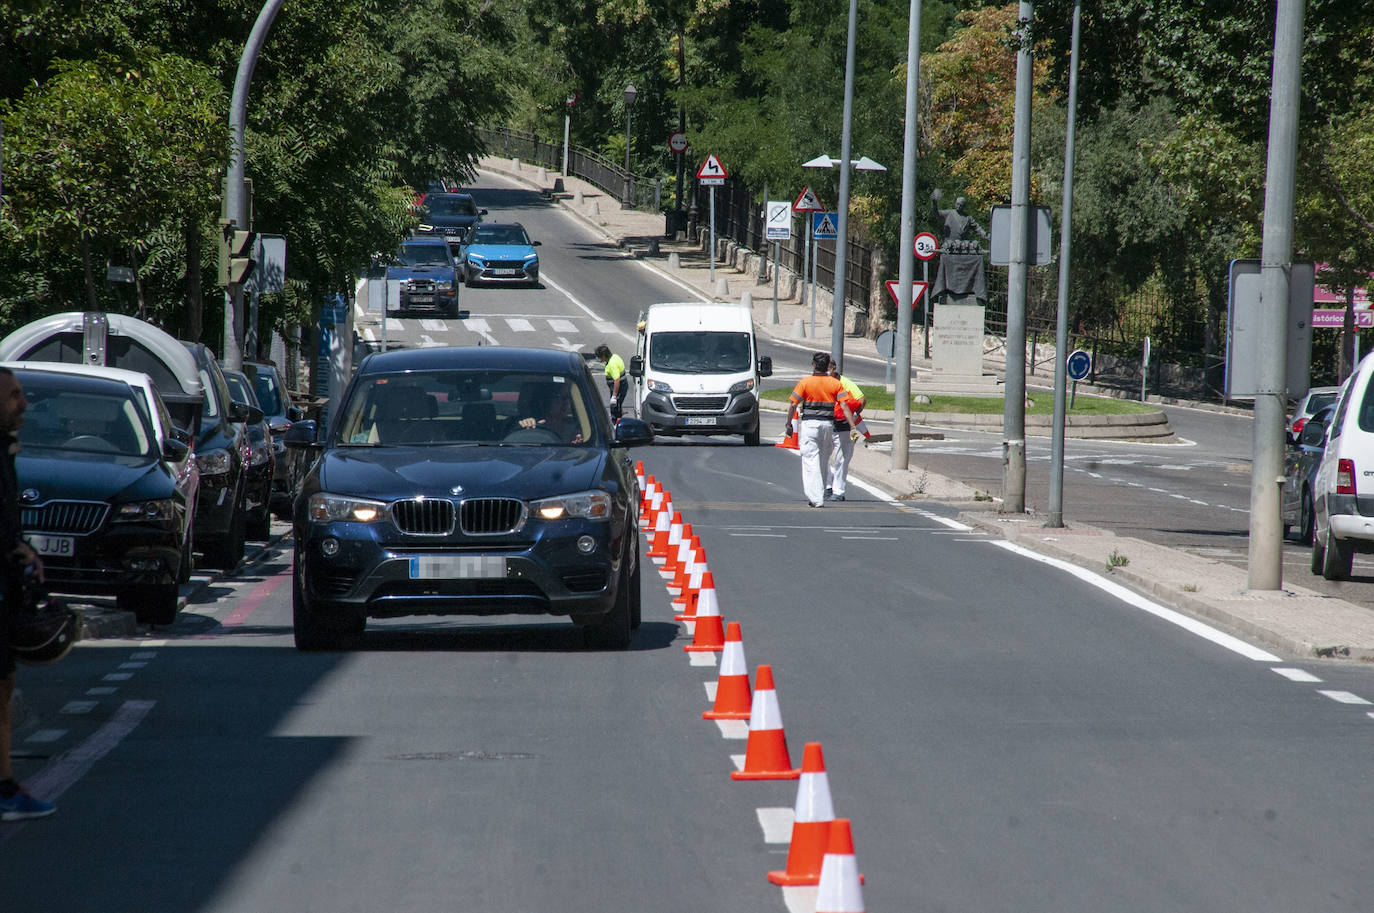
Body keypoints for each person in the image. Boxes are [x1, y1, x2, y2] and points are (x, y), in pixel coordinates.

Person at [0, 368, 54, 821]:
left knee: (4, 685)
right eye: (14, 395)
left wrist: (21, 550)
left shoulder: (6, 451)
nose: (24, 403)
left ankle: (4, 784)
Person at [782, 353, 857, 508]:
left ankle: (816, 497)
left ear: (814, 365)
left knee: (810, 459)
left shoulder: (805, 382)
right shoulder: (835, 384)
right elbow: (844, 405)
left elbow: (793, 405)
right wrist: (853, 426)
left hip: (810, 425)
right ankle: (821, 491)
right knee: (823, 460)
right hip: (828, 426)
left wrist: (789, 424)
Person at [825, 360, 868, 502]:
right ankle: (827, 486)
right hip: (824, 424)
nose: (825, 372)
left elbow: (862, 399)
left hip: (842, 425)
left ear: (834, 368)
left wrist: (854, 415)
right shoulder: (820, 381)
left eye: (828, 368)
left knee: (841, 459)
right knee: (822, 457)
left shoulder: (845, 383)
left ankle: (838, 491)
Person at [516, 384, 584, 444]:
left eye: (567, 398)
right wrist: (526, 426)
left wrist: (578, 443)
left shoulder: (576, 428)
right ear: (545, 401)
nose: (565, 402)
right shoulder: (532, 425)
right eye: (558, 397)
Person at [595, 344, 627, 420]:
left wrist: (614, 396)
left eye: (599, 356)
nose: (599, 359)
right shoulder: (615, 356)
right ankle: (618, 414)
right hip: (621, 386)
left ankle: (615, 423)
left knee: (614, 408)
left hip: (618, 388)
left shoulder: (612, 364)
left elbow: (617, 379)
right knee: (617, 406)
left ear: (603, 355)